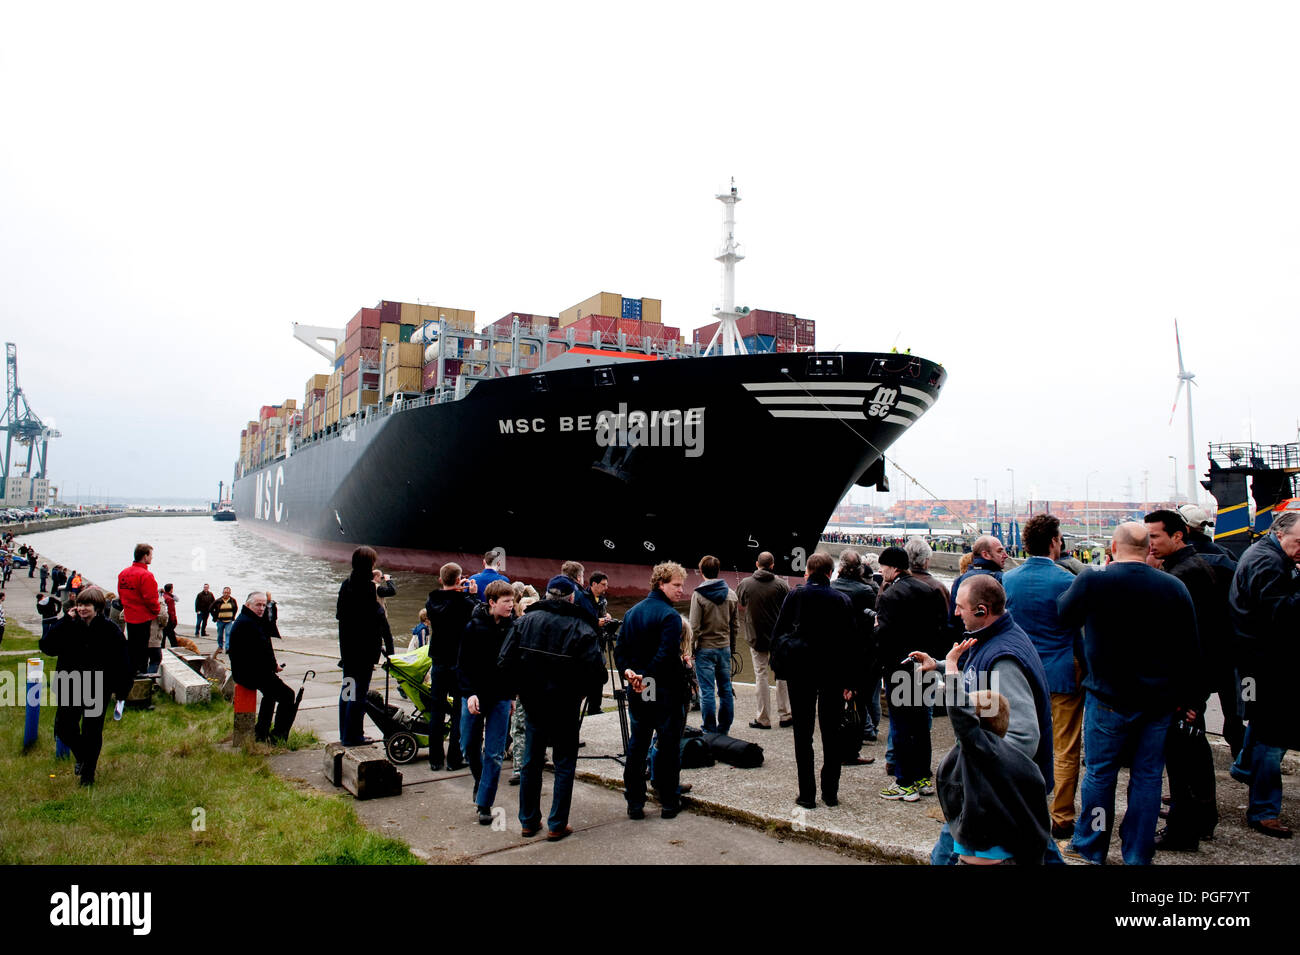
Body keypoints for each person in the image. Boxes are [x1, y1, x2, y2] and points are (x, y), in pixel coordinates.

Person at [1057, 522, 1200, 864]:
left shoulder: (1095, 580)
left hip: (1107, 697)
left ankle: (1093, 844)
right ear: (1148, 548)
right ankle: (1137, 852)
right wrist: (1189, 699)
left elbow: (1064, 615)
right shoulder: (1174, 587)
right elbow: (1190, 649)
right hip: (1158, 702)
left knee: (1100, 776)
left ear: (1113, 546)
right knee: (1148, 778)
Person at [915, 574, 1056, 864]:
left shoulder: (1004, 658)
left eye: (960, 607)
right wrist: (941, 666)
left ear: (982, 611)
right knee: (1037, 844)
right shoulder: (993, 639)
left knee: (948, 849)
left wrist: (983, 763)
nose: (955, 613)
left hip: (990, 792)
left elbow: (1024, 737)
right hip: (996, 789)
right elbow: (975, 672)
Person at [499, 574, 606, 839]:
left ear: (546, 595)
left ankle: (528, 820)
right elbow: (598, 674)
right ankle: (557, 824)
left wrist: (520, 690)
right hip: (566, 706)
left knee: (531, 762)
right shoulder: (581, 627)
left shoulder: (524, 622)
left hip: (533, 703)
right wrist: (579, 692)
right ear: (572, 598)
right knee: (564, 763)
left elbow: (504, 662)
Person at [935, 637, 1050, 865]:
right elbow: (1038, 822)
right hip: (1011, 853)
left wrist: (950, 666)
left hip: (977, 857)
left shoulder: (974, 752)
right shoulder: (1026, 767)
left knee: (939, 856)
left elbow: (961, 715)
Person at [1002, 513, 1081, 840]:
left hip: (1020, 672)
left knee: (1019, 740)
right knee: (1066, 746)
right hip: (1061, 672)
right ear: (1054, 542)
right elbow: (1078, 629)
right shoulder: (1068, 581)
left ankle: (1019, 805)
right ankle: (1061, 816)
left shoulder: (1008, 580)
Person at [1145, 508, 1220, 850]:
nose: (1150, 544)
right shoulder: (1190, 568)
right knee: (1194, 752)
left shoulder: (1183, 576)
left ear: (1178, 535)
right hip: (1190, 683)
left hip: (1182, 685)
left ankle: (1183, 831)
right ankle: (1201, 818)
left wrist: (1188, 697)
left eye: (1156, 537)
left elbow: (1191, 641)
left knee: (1182, 758)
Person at [1227, 509, 1300, 838]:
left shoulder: (1266, 554)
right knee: (1272, 738)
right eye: (1299, 541)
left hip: (1257, 662)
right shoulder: (1268, 562)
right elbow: (1280, 614)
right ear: (1280, 533)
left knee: (1262, 726)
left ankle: (1244, 767)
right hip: (1265, 664)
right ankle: (1263, 810)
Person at [771, 551, 857, 809]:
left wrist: (781, 667)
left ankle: (807, 794)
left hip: (800, 672)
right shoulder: (842, 600)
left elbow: (778, 634)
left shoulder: (795, 595)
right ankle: (830, 793)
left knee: (803, 734)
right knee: (832, 733)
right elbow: (852, 644)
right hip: (832, 673)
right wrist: (850, 682)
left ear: (807, 571)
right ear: (831, 573)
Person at [616, 562, 690, 820]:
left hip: (641, 689)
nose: (682, 590)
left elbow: (620, 650)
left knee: (638, 744)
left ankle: (634, 803)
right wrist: (645, 677)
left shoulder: (632, 613)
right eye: (677, 585)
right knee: (668, 746)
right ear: (661, 583)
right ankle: (669, 801)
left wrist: (629, 674)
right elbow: (666, 655)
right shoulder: (669, 616)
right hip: (665, 690)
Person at [872, 546, 947, 802]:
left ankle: (905, 783)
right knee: (920, 724)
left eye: (883, 567)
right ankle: (923, 778)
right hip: (924, 665)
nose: (881, 572)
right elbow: (940, 628)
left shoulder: (891, 595)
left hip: (898, 667)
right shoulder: (929, 590)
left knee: (902, 726)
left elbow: (884, 637)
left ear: (893, 567)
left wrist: (876, 630)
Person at [39, 586, 133, 786]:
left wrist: (122, 689)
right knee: (64, 728)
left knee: (92, 731)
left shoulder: (110, 630)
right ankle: (82, 756)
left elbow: (123, 661)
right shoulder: (69, 626)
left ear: (97, 607)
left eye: (86, 605)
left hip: (98, 687)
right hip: (69, 684)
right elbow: (47, 646)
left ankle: (88, 775)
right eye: (79, 604)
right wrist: (64, 620)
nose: (82, 609)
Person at [457, 580, 517, 825]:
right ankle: (480, 781)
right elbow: (462, 664)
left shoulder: (513, 627)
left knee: (494, 753)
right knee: (468, 745)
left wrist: (512, 695)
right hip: (474, 695)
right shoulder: (473, 627)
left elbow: (515, 664)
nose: (511, 606)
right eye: (506, 602)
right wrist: (469, 693)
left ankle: (484, 803)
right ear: (492, 602)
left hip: (501, 697)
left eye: (512, 601)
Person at [336, 547, 395, 746]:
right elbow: (377, 620)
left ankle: (344, 733)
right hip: (363, 652)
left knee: (347, 690)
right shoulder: (368, 588)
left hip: (348, 650)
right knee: (358, 694)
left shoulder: (346, 585)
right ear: (370, 564)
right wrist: (388, 647)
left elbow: (341, 617)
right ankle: (354, 736)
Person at [424, 562, 477, 770]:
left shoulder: (432, 601)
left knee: (436, 711)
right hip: (458, 662)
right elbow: (474, 614)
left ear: (440, 580)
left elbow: (443, 595)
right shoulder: (464, 603)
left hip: (438, 661)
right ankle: (454, 759)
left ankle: (435, 759)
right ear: (458, 580)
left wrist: (454, 587)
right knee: (458, 712)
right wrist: (471, 594)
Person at [228, 592, 297, 743]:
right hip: (251, 673)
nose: (261, 608)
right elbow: (262, 650)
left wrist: (273, 666)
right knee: (288, 696)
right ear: (248, 605)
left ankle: (261, 733)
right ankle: (278, 737)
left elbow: (262, 650)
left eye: (264, 605)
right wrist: (274, 666)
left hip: (248, 671)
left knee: (271, 695)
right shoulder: (249, 623)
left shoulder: (249, 620)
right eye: (258, 605)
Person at [830, 549, 877, 764]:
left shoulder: (831, 588)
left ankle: (835, 747)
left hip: (835, 654)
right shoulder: (866, 591)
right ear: (860, 568)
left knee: (834, 705)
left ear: (839, 567)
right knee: (859, 704)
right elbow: (871, 628)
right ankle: (853, 751)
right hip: (859, 656)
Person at [736, 552, 793, 731]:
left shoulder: (745, 584)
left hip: (756, 636)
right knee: (782, 676)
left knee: (761, 675)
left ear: (756, 564)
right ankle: (786, 714)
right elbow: (788, 608)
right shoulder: (782, 585)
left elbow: (742, 603)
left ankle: (763, 718)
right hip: (778, 638)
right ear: (773, 565)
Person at [688, 555, 737, 735]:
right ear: (718, 571)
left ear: (701, 572)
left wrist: (690, 649)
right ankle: (724, 729)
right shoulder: (731, 594)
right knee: (725, 689)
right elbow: (735, 625)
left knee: (707, 690)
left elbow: (694, 627)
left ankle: (709, 729)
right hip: (724, 648)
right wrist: (731, 647)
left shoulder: (698, 594)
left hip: (705, 649)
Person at [947, 535, 1008, 632]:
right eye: (999, 551)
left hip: (966, 641)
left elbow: (953, 621)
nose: (1005, 555)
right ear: (985, 555)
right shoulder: (1001, 579)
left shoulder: (959, 580)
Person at [117, 543, 161, 675]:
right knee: (142, 649)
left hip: (130, 616)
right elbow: (151, 598)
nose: (152, 558)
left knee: (132, 646)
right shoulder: (146, 575)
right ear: (145, 556)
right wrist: (156, 610)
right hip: (143, 617)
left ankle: (130, 672)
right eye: (150, 555)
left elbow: (121, 593)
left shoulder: (123, 573)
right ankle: (140, 676)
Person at [210, 587, 239, 654]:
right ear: (223, 593)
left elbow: (235, 608)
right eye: (225, 592)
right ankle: (220, 647)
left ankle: (227, 647)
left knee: (228, 634)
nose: (226, 594)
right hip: (220, 621)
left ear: (230, 593)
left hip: (229, 621)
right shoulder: (218, 601)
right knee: (220, 634)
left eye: (228, 593)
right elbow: (211, 608)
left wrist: (233, 616)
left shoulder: (233, 600)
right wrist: (215, 617)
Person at [160, 584, 179, 649]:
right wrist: (174, 621)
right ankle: (176, 650)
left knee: (163, 637)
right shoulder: (170, 599)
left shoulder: (163, 596)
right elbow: (171, 611)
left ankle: (162, 649)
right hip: (169, 620)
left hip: (163, 619)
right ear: (171, 589)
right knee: (172, 638)